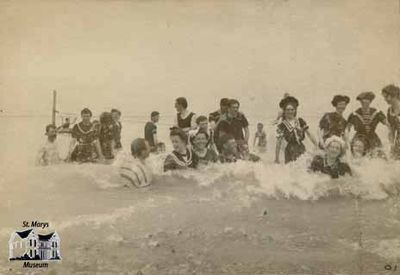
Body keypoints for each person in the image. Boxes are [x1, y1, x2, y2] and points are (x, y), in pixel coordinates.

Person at [275, 96, 317, 164]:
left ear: (295, 110)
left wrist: (316, 145)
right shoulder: (282, 125)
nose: (290, 111)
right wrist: (276, 158)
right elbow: (278, 142)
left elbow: (309, 134)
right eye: (288, 110)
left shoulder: (300, 121)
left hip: (301, 148)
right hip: (289, 151)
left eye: (292, 109)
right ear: (284, 111)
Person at [347, 91, 387, 156]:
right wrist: (346, 140)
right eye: (362, 101)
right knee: (357, 155)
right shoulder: (354, 114)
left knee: (379, 155)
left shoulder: (377, 113)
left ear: (370, 101)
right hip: (359, 138)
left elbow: (388, 125)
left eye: (366, 100)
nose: (364, 102)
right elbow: (347, 129)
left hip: (373, 138)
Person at [382, 84, 400, 159]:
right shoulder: (389, 111)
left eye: (386, 97)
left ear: (394, 95)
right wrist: (392, 145)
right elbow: (391, 130)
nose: (385, 99)